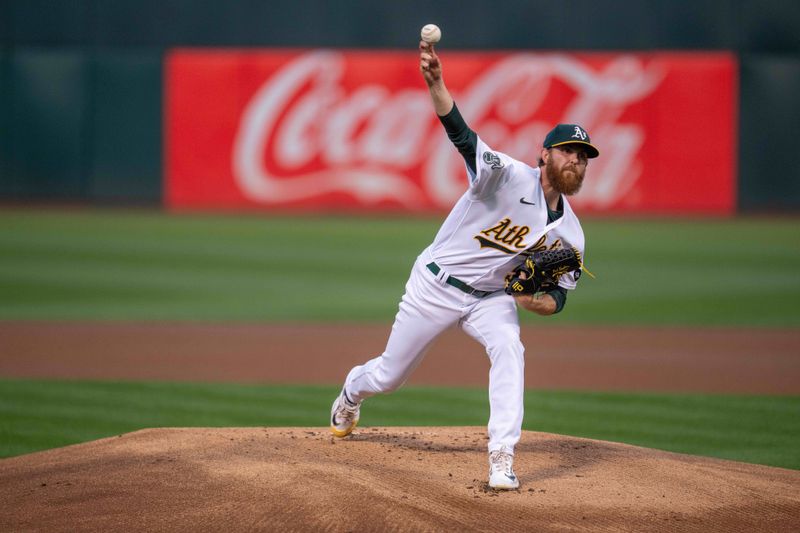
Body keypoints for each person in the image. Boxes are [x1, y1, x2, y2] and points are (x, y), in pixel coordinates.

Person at [330, 40, 599, 490]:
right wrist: (436, 83)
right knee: (389, 376)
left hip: (491, 297)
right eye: (568, 150)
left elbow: (559, 296)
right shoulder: (506, 175)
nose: (576, 159)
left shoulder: (571, 234)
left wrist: (534, 302)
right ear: (545, 154)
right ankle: (352, 391)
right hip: (435, 286)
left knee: (510, 348)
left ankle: (501, 456)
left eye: (584, 156)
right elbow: (462, 135)